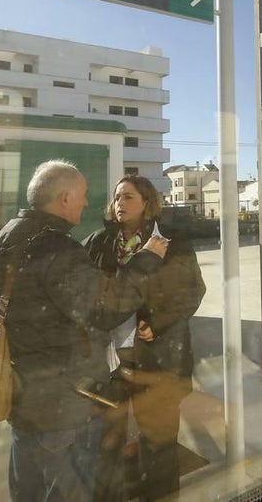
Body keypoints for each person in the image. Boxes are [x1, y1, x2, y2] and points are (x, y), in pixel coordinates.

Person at [0, 160, 169, 502]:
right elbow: (105, 308)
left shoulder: (7, 238)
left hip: (24, 397)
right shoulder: (59, 249)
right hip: (63, 406)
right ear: (64, 198)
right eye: (82, 195)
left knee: (28, 489)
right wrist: (145, 261)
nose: (88, 202)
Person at [85, 174, 206, 501]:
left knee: (159, 446)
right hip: (109, 362)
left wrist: (159, 322)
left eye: (128, 197)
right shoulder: (99, 243)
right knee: (106, 446)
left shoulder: (172, 243)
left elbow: (193, 291)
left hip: (158, 362)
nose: (119, 204)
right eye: (116, 198)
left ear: (147, 203)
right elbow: (85, 295)